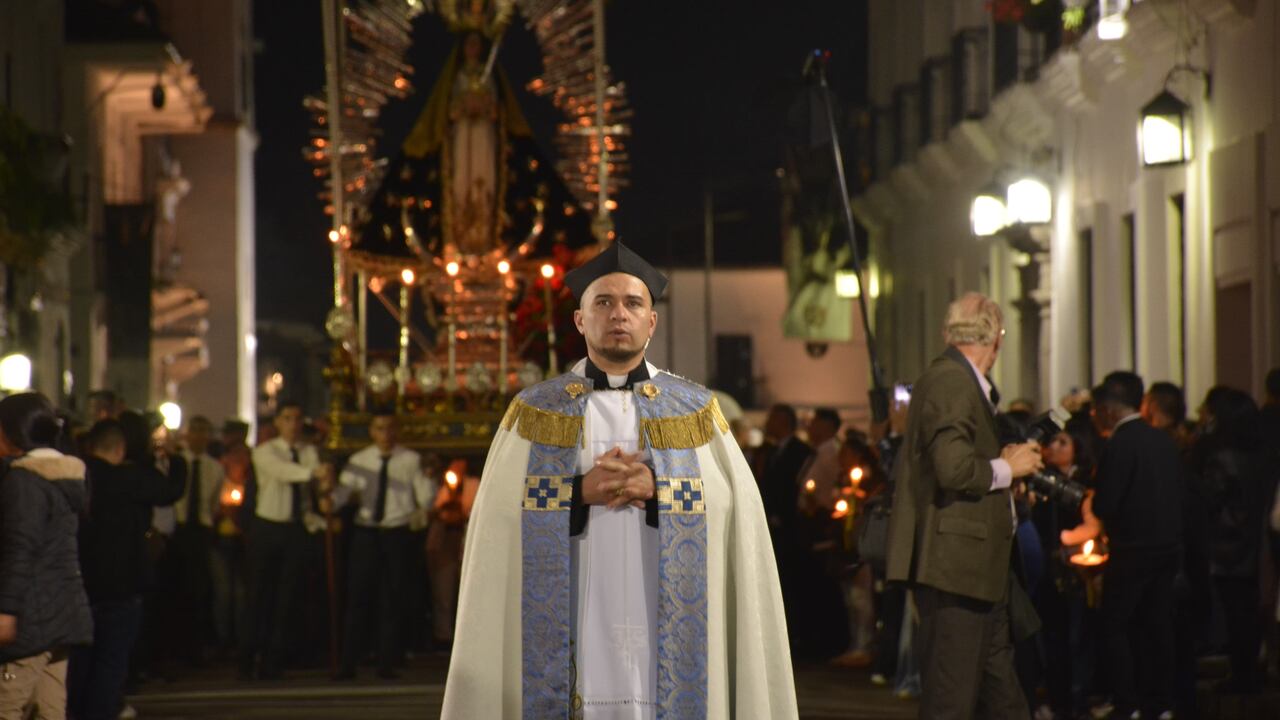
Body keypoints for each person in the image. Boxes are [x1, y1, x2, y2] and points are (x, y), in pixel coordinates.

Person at [441, 241, 797, 718]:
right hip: (575, 609)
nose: (618, 314)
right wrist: (576, 494)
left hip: (665, 613)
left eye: (633, 303)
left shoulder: (694, 409)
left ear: (652, 321)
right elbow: (498, 516)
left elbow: (735, 512)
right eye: (603, 303)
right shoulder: (534, 409)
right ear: (580, 320)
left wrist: (658, 492)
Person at [884, 292, 1044, 720]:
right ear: (998, 339)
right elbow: (953, 468)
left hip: (977, 574)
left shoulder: (956, 380)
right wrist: (1006, 468)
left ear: (947, 332)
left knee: (1004, 700)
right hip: (957, 572)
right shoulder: (952, 380)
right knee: (950, 702)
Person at [68, 419, 185, 720]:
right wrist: (176, 458)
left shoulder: (74, 475)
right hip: (122, 583)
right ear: (120, 449)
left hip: (80, 582)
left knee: (80, 663)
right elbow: (169, 491)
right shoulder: (128, 478)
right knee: (111, 661)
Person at [1090, 371, 1182, 720]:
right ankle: (1160, 702)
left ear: (1109, 410)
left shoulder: (1119, 443)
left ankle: (1126, 702)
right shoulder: (1162, 441)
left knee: (1116, 625)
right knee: (1158, 624)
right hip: (1167, 547)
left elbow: (1106, 503)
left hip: (1132, 549)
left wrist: (1095, 506)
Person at [0, 392, 93, 719]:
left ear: (10, 433)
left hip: (31, 615)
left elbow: (19, 548)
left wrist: (6, 611)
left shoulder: (24, 481)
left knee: (7, 704)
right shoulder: (66, 476)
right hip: (64, 610)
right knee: (50, 708)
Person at [332, 411, 434, 679]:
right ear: (371, 432)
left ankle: (387, 661)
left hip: (396, 533)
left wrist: (429, 478)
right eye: (379, 428)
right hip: (367, 533)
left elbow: (425, 498)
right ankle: (348, 662)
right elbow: (340, 496)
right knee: (358, 597)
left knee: (392, 598)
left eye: (390, 428)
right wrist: (328, 496)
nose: (385, 435)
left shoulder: (410, 460)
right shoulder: (360, 461)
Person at [239, 402, 333, 680]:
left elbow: (314, 489)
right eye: (287, 418)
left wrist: (325, 485)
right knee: (258, 596)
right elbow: (283, 472)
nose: (293, 424)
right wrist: (315, 474)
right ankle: (247, 657)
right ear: (277, 423)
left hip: (294, 530)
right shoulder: (266, 452)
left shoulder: (308, 452)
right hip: (268, 528)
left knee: (286, 598)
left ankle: (274, 658)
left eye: (297, 418)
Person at [168, 415, 224, 660]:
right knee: (176, 587)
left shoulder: (215, 468)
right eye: (195, 431)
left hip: (200, 529)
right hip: (177, 527)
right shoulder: (177, 462)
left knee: (200, 587)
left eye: (205, 431)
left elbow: (213, 503)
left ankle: (196, 646)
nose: (200, 437)